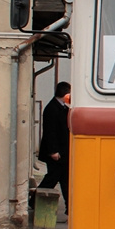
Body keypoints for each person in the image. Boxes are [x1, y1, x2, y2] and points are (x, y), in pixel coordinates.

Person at [37, 81, 71, 212]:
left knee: (63, 179)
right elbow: (50, 132)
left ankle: (70, 207)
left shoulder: (62, 107)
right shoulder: (52, 108)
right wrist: (53, 151)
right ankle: (34, 201)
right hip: (56, 153)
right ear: (66, 94)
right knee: (52, 179)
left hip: (62, 152)